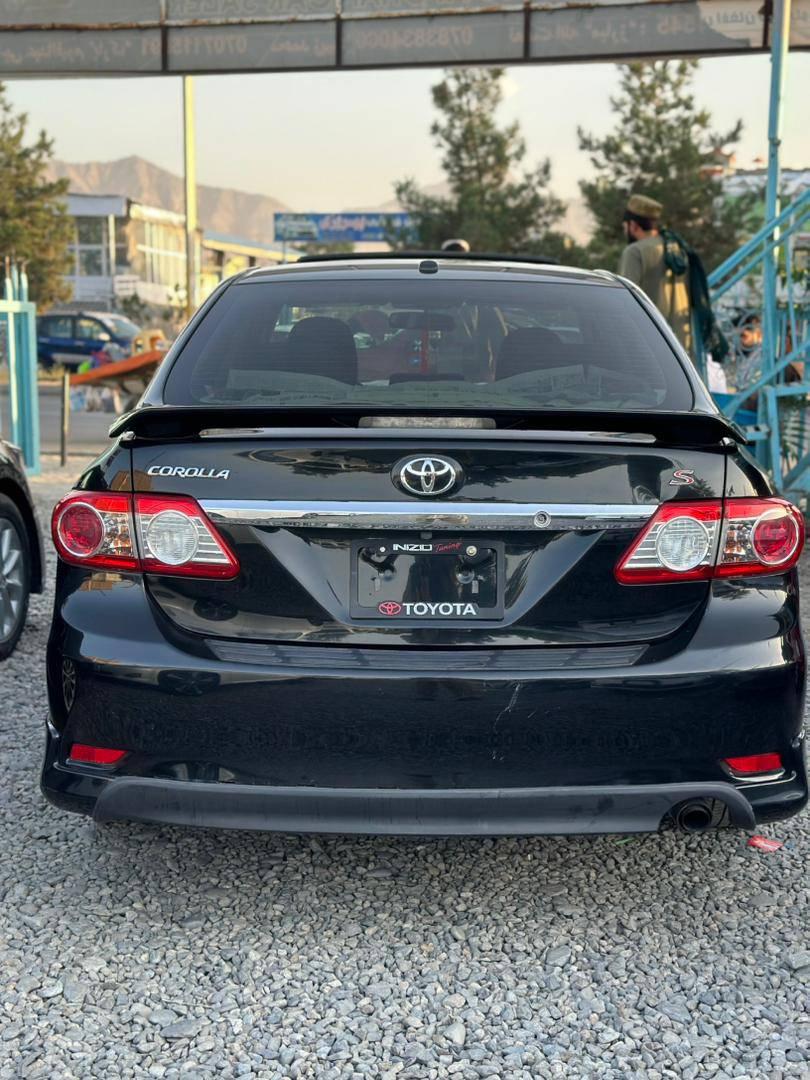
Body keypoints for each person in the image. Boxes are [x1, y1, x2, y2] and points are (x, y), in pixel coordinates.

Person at [618, 195, 692, 354]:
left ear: (633, 225)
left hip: (650, 342)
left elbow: (625, 300)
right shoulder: (677, 248)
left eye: (625, 226)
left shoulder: (634, 252)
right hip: (681, 343)